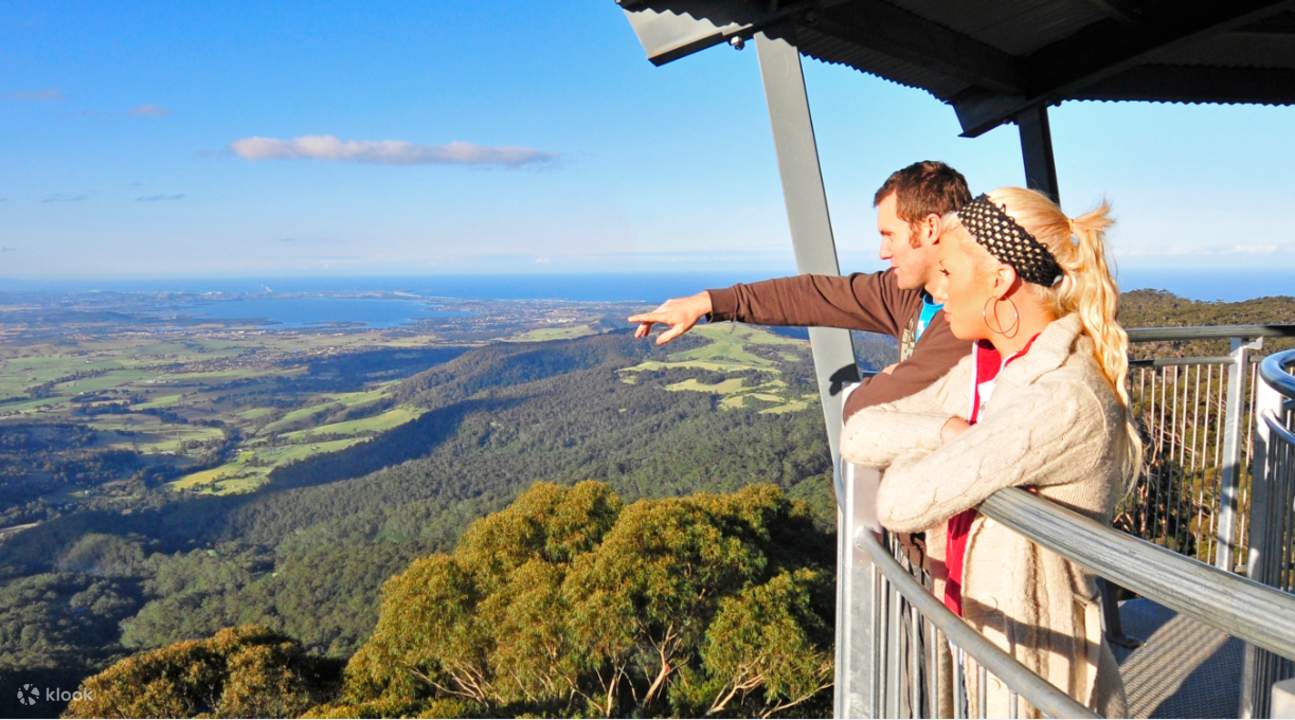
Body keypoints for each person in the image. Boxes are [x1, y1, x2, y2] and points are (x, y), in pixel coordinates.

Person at [840, 187, 1142, 717]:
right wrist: (952, 430)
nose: (942, 293)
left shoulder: (1060, 398)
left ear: (1000, 281)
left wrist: (927, 440)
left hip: (1037, 650)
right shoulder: (990, 370)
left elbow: (901, 502)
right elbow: (860, 431)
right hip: (983, 621)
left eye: (951, 274)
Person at [628, 161, 972, 421]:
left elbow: (867, 407)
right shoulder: (908, 294)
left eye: (889, 235)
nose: (882, 252)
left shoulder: (969, 319)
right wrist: (706, 302)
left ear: (929, 227)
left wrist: (879, 383)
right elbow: (812, 295)